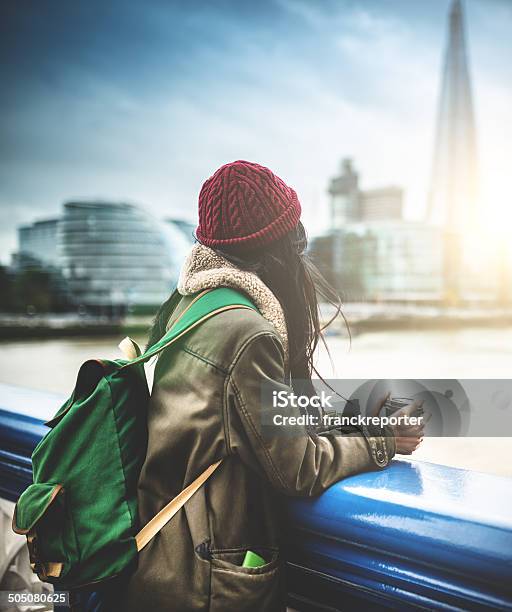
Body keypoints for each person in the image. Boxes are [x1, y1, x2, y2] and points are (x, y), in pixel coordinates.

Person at [121, 160, 424, 611]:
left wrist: (357, 416)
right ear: (281, 246)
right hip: (208, 581)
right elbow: (297, 466)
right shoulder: (250, 332)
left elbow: (259, 418)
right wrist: (381, 440)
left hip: (160, 555)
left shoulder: (189, 306)